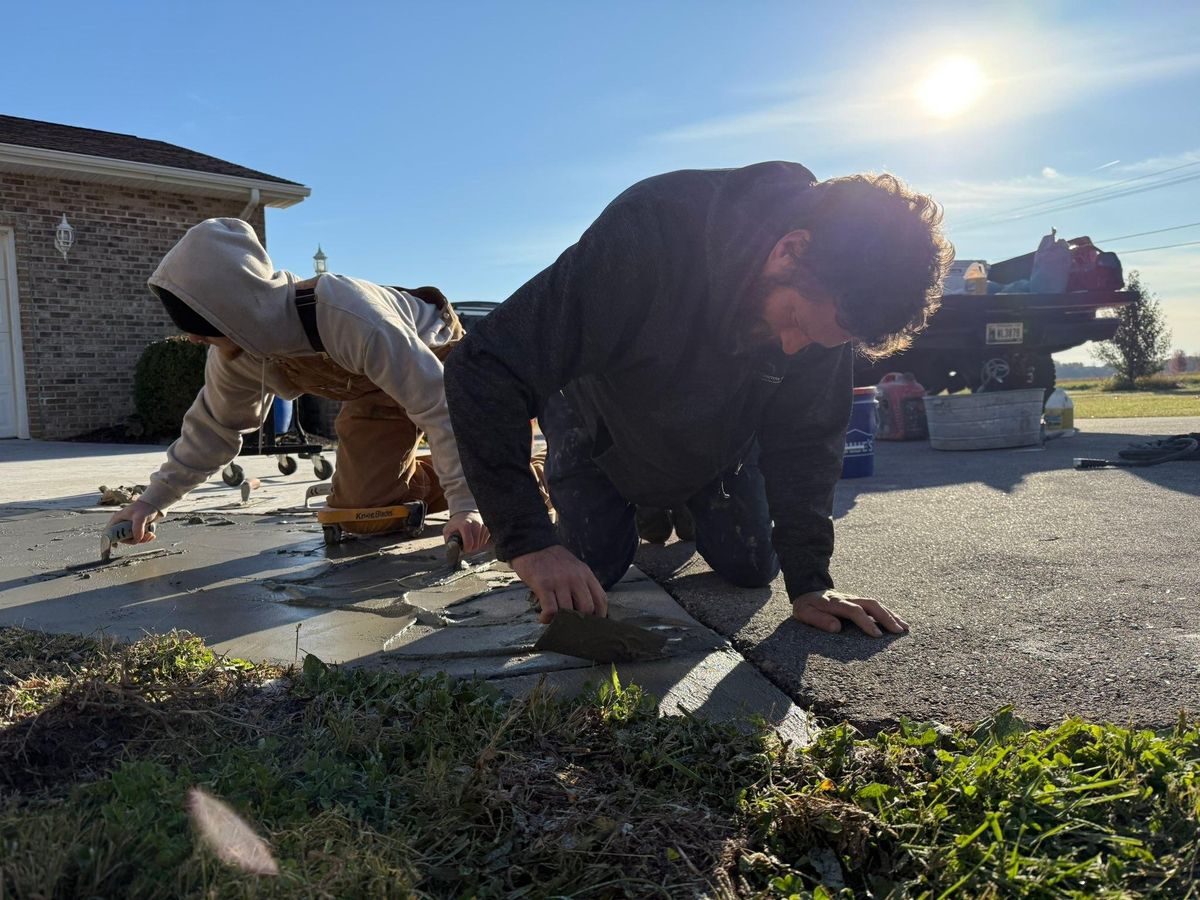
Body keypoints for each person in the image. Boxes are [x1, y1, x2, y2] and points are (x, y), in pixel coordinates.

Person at [444, 162, 951, 635]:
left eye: (816, 339)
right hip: (602, 424)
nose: (795, 347)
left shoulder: (831, 303)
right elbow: (484, 367)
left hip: (714, 441)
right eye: (794, 321)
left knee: (754, 568)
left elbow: (807, 439)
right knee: (587, 574)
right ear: (789, 250)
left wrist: (811, 580)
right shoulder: (649, 232)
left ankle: (682, 498)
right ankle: (627, 499)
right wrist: (528, 543)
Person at [109, 217, 489, 553]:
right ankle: (473, 468)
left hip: (433, 355)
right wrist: (150, 503)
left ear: (235, 313)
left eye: (201, 327)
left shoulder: (349, 314)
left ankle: (508, 472)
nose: (192, 340)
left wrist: (467, 504)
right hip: (373, 389)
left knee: (484, 491)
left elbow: (438, 407)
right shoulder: (235, 352)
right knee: (362, 513)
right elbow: (213, 431)